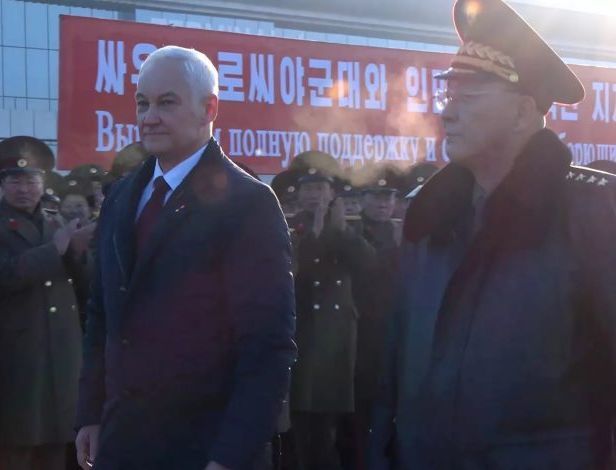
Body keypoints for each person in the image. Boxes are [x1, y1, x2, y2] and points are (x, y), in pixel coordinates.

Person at [369, 1, 616, 468]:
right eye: (448, 94)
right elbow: (395, 371)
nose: (447, 113)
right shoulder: (432, 216)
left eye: (468, 96)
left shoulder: (591, 211)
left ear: (522, 112)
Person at [75, 45, 296, 470]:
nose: (149, 117)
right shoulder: (121, 196)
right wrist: (91, 412)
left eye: (167, 103)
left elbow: (267, 345)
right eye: (142, 103)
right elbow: (102, 314)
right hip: (123, 440)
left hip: (204, 445)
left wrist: (230, 457)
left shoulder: (247, 202)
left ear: (209, 108)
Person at [0, 135, 93, 470]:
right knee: (16, 446)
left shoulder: (55, 221)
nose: (24, 189)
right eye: (15, 181)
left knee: (56, 446)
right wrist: (57, 250)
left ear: (43, 184)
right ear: (2, 185)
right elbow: (5, 276)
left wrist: (79, 254)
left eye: (31, 181)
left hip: (61, 353)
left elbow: (85, 284)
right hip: (18, 354)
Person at [287, 168, 375, 470]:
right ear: (299, 195)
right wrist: (313, 233)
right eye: (308, 189)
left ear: (332, 194)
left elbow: (369, 263)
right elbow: (294, 270)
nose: (314, 195)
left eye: (320, 188)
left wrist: (340, 230)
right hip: (301, 335)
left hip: (335, 339)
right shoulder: (290, 226)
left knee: (329, 428)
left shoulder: (348, 227)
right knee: (300, 425)